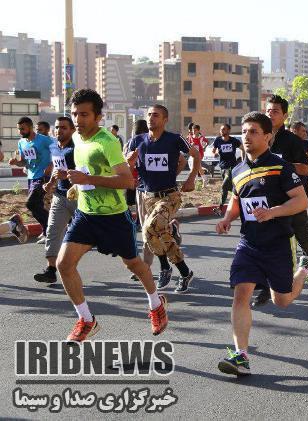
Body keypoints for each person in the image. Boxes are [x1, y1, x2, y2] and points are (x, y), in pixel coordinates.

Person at [56, 89, 167, 341]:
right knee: (64, 264)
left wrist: (87, 179)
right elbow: (88, 171)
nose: (78, 119)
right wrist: (76, 184)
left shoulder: (107, 141)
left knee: (134, 264)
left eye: (84, 114)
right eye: (74, 114)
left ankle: (155, 303)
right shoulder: (78, 139)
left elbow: (127, 180)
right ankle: (86, 319)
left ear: (98, 116)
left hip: (114, 218)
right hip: (86, 215)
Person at [215, 112, 308, 376]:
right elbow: (237, 200)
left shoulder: (279, 166)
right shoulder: (237, 170)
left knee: (281, 300)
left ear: (267, 136)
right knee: (241, 294)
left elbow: (300, 201)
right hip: (249, 243)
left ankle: (305, 270)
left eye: (253, 132)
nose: (247, 136)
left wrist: (272, 212)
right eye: (244, 131)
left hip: (278, 244)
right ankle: (241, 356)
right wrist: (228, 217)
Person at [126, 105, 199, 293]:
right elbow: (124, 163)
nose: (151, 118)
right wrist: (129, 161)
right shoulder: (137, 140)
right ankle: (182, 271)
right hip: (148, 197)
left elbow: (195, 153)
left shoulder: (174, 139)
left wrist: (191, 177)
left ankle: (166, 267)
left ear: (165, 119)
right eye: (149, 115)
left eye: (155, 115)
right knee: (156, 234)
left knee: (150, 228)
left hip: (169, 196)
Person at [265, 95, 308, 293]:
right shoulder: (260, 138)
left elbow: (307, 169)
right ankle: (266, 287)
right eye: (268, 111)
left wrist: (283, 166)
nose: (270, 114)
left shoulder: (292, 141)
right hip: (269, 202)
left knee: (302, 240)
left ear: (285, 115)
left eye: (275, 111)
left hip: (293, 200)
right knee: (270, 242)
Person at [34, 116, 78, 284]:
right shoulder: (56, 148)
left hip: (79, 197)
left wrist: (66, 175)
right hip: (60, 196)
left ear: (72, 130)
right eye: (58, 127)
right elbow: (57, 170)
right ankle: (51, 270)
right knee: (53, 230)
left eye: (64, 128)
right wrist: (51, 184)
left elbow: (85, 172)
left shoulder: (76, 150)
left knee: (88, 234)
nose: (59, 130)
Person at [9, 117, 53, 244]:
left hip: (43, 177)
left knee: (31, 203)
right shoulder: (21, 142)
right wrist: (16, 162)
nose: (20, 132)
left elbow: (57, 152)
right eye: (18, 129)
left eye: (22, 129)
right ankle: (49, 230)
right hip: (31, 177)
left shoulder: (43, 140)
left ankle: (49, 231)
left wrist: (51, 165)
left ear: (30, 127)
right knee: (36, 206)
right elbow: (24, 162)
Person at [212, 123, 244, 215]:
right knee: (227, 188)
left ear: (228, 131)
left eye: (224, 129)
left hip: (232, 167)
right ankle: (222, 208)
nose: (222, 131)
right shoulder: (218, 140)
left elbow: (243, 149)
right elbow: (213, 151)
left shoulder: (233, 140)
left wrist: (243, 161)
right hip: (222, 166)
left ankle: (220, 207)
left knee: (224, 185)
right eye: (221, 129)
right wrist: (216, 153)